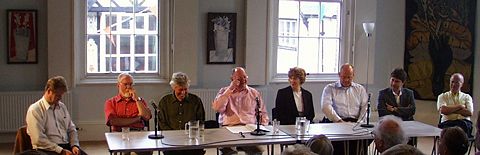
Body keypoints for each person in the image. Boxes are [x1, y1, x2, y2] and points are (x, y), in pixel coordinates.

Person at [212, 67, 269, 155]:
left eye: (245, 77)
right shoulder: (224, 91)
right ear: (232, 79)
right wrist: (230, 89)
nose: (243, 80)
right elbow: (217, 108)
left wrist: (263, 126)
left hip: (249, 129)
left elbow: (262, 113)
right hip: (229, 128)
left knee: (257, 151)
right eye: (239, 78)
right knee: (229, 152)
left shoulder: (254, 93)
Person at [26, 76, 86, 155]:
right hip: (46, 149)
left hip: (65, 145)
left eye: (61, 95)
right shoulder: (35, 110)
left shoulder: (62, 107)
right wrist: (61, 150)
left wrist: (74, 145)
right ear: (49, 91)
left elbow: (71, 128)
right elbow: (38, 139)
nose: (60, 98)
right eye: (58, 95)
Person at [321, 63, 368, 155]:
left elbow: (365, 107)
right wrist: (339, 121)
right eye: (343, 77)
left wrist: (359, 123)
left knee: (362, 143)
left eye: (349, 77)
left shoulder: (360, 89)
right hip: (335, 123)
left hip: (356, 123)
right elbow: (325, 106)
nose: (346, 80)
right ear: (339, 75)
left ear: (353, 75)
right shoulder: (330, 88)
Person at [158, 72, 206, 155]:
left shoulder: (196, 100)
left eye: (185, 89)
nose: (183, 93)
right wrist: (176, 136)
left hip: (191, 140)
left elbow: (200, 121)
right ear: (173, 88)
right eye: (180, 90)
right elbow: (162, 124)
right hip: (171, 141)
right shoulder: (164, 101)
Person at [104, 73, 152, 155]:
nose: (128, 87)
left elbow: (146, 116)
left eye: (131, 84)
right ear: (118, 85)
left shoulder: (140, 101)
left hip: (138, 134)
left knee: (147, 150)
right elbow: (113, 121)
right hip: (119, 135)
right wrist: (137, 118)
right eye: (125, 84)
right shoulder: (111, 102)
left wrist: (137, 99)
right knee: (125, 152)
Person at [437, 73, 474, 137]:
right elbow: (443, 110)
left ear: (462, 84)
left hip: (463, 124)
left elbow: (469, 112)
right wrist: (460, 107)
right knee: (450, 134)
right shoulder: (442, 96)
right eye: (452, 82)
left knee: (461, 132)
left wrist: (450, 110)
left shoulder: (467, 97)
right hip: (447, 123)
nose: (454, 84)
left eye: (457, 82)